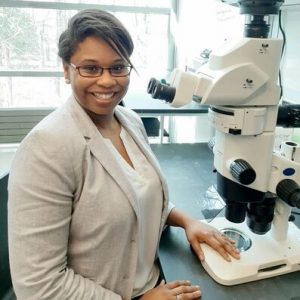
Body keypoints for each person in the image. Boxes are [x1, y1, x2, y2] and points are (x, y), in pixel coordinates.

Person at [8, 9, 240, 300]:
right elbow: (39, 285)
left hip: (155, 281)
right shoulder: (46, 149)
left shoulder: (129, 121)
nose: (107, 81)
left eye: (118, 67)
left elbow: (136, 194)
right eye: (90, 68)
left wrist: (188, 221)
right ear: (66, 70)